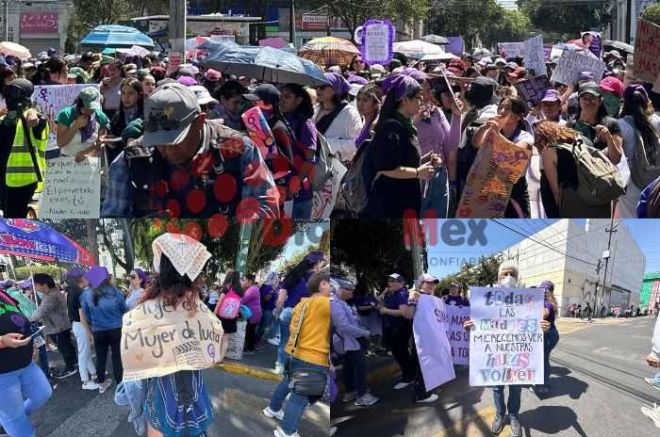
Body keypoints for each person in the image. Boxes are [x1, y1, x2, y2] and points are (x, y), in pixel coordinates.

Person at [101, 82, 279, 218]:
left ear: (199, 122)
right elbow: (114, 221)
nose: (167, 150)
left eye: (175, 140)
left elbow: (264, 207)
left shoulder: (239, 149)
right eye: (158, 141)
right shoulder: (131, 159)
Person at [463, 261, 551, 437]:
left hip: (518, 355)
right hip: (496, 353)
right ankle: (499, 414)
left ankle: (513, 416)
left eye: (512, 274)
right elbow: (481, 323)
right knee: (497, 387)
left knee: (516, 388)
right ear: (498, 277)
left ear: (517, 278)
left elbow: (533, 323)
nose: (508, 277)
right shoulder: (486, 299)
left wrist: (542, 327)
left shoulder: (527, 301)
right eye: (505, 273)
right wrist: (470, 327)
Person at [263, 269, 331, 437]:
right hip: (312, 358)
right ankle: (286, 431)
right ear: (322, 284)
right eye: (332, 285)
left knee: (286, 383)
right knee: (299, 398)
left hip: (295, 353)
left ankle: (273, 409)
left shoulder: (302, 304)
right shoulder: (323, 303)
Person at [363, 75, 436, 218]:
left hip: (404, 203)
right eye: (418, 97)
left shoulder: (404, 125)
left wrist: (425, 161)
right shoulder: (391, 127)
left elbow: (402, 161)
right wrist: (417, 172)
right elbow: (386, 167)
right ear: (405, 99)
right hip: (390, 204)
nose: (421, 101)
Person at [0, 287, 53, 437]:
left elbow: (20, 319)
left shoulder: (3, 292)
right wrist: (2, 341)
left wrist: (33, 343)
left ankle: (9, 420)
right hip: (3, 372)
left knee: (43, 393)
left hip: (25, 361)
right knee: (14, 418)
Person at [534, 120, 612, 218]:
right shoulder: (584, 140)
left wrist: (560, 212)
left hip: (573, 202)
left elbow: (555, 191)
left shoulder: (549, 151)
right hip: (598, 197)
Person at [471, 96, 534, 217]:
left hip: (514, 191)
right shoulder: (493, 132)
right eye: (500, 107)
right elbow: (476, 143)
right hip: (491, 189)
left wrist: (496, 134)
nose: (502, 111)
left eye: (508, 108)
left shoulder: (525, 137)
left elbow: (512, 154)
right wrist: (484, 128)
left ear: (518, 116)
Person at [0, 79, 48, 218]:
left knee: (12, 221)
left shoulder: (32, 120)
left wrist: (30, 111)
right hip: (26, 180)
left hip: (15, 182)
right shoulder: (38, 120)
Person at [273, 251, 325, 374]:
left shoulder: (292, 276)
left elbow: (280, 300)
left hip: (287, 312)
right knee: (300, 344)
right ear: (317, 263)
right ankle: (291, 369)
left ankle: (280, 366)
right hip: (306, 315)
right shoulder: (318, 281)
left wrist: (277, 313)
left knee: (284, 341)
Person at [331, 277, 379, 407]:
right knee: (359, 368)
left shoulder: (342, 302)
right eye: (349, 289)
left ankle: (351, 392)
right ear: (339, 290)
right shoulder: (334, 304)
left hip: (351, 340)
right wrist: (366, 333)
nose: (352, 291)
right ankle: (362, 395)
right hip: (349, 341)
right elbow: (344, 326)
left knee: (349, 367)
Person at [80, 266, 126, 393]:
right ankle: (120, 384)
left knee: (100, 357)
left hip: (98, 330)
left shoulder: (85, 294)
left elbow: (87, 315)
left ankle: (101, 382)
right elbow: (124, 308)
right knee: (117, 356)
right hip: (116, 328)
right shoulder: (115, 291)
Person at [618, 85, 660, 217]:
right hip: (654, 183)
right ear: (646, 101)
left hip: (630, 185)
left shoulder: (619, 125)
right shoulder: (657, 121)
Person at [279, 83, 319, 218]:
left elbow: (310, 159)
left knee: (300, 236)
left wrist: (297, 180)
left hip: (299, 192)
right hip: (280, 190)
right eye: (281, 96)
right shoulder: (280, 120)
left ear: (298, 100)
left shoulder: (306, 124)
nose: (282, 100)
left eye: (287, 97)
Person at [403, 273, 443, 403]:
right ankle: (421, 395)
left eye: (434, 283)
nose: (432, 285)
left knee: (429, 365)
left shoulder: (433, 299)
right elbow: (408, 315)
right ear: (421, 283)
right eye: (428, 282)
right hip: (420, 339)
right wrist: (412, 300)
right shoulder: (416, 295)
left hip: (431, 339)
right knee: (421, 367)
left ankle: (427, 389)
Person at [30, 273, 78, 379]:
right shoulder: (55, 292)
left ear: (44, 284)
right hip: (62, 324)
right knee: (68, 345)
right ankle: (74, 363)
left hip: (56, 327)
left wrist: (29, 319)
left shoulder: (50, 296)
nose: (36, 287)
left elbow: (43, 310)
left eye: (36, 284)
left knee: (64, 347)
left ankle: (70, 368)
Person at [314, 72, 363, 162]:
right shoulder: (316, 109)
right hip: (315, 164)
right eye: (316, 86)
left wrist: (326, 144)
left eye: (322, 87)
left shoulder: (350, 113)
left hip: (336, 167)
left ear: (335, 89)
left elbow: (356, 143)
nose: (318, 90)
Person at [378, 273, 415, 390]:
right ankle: (409, 373)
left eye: (394, 281)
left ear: (402, 283)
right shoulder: (391, 293)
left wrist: (386, 311)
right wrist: (384, 293)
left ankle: (409, 376)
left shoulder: (402, 295)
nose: (391, 283)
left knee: (400, 352)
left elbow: (404, 312)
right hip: (394, 328)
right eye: (390, 281)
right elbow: (378, 300)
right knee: (399, 353)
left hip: (401, 328)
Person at [64, 268, 99, 390]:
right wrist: (90, 332)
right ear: (80, 278)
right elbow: (82, 315)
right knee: (84, 353)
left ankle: (94, 373)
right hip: (81, 324)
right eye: (85, 276)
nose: (87, 279)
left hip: (77, 325)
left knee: (86, 351)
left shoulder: (72, 291)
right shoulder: (79, 292)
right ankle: (85, 381)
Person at [55, 86, 110, 162]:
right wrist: (75, 126)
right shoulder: (66, 115)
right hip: (67, 161)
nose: (89, 111)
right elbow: (60, 143)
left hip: (91, 163)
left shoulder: (101, 117)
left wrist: (88, 152)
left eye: (92, 109)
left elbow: (101, 141)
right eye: (86, 108)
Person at [107, 78, 144, 164]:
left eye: (130, 93)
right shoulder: (118, 116)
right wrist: (110, 142)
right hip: (121, 162)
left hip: (141, 161)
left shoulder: (145, 115)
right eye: (123, 93)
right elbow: (113, 140)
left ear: (139, 95)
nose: (126, 97)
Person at [536, 280, 560, 395]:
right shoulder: (546, 301)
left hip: (549, 335)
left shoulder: (547, 303)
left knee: (543, 360)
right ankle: (542, 381)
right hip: (550, 334)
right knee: (543, 359)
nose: (542, 291)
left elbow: (543, 314)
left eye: (544, 289)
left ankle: (544, 385)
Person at [215, 271, 243, 365]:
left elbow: (219, 304)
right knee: (225, 339)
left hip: (221, 317)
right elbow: (239, 306)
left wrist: (213, 315)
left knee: (218, 338)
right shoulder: (240, 291)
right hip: (231, 318)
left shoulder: (226, 289)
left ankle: (215, 356)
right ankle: (220, 359)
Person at [240, 273, 263, 355]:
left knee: (250, 332)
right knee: (250, 331)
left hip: (253, 315)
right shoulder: (253, 289)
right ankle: (250, 348)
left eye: (244, 280)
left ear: (250, 281)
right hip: (254, 314)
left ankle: (249, 349)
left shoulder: (252, 290)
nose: (242, 282)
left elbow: (242, 300)